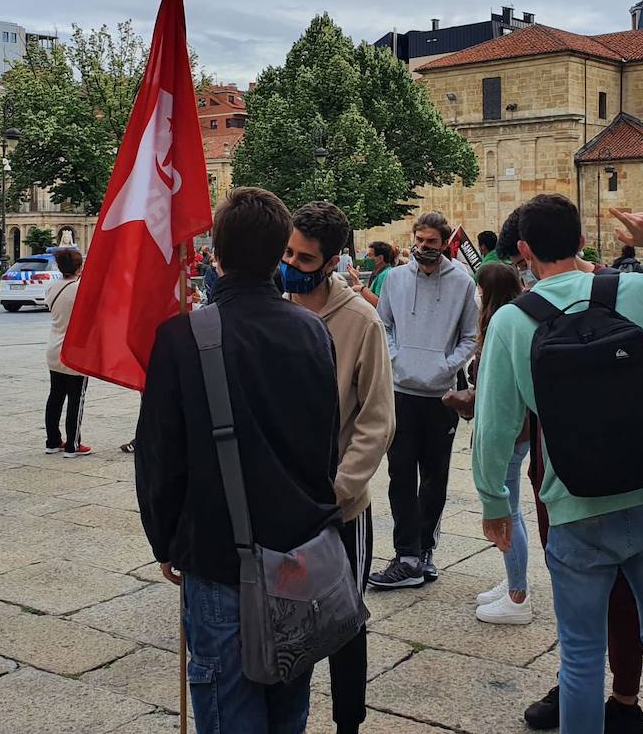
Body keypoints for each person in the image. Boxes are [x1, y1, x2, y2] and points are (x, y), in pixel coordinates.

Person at [473, 196, 643, 734]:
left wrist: (493, 505)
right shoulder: (639, 294)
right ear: (581, 241)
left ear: (524, 251)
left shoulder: (512, 321)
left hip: (573, 506)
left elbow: (495, 428)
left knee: (579, 658)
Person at [135, 188, 341, 733]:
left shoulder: (181, 338)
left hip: (220, 557)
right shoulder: (313, 332)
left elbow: (158, 456)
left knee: (228, 711)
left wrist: (165, 540)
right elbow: (327, 443)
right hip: (298, 561)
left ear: (216, 254)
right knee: (287, 713)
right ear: (279, 253)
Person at [284, 201, 396, 734]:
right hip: (282, 503)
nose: (289, 263)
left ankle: (349, 723)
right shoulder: (276, 307)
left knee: (346, 622)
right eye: (287, 251)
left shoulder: (361, 322)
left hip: (339, 506)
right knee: (286, 618)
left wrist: (340, 489)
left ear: (331, 262)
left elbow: (376, 420)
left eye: (303, 258)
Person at [369, 211, 478, 590]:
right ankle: (406, 554)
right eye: (419, 241)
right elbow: (384, 325)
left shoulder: (462, 282)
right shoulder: (396, 279)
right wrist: (397, 358)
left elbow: (470, 336)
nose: (423, 248)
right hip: (400, 392)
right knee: (400, 474)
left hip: (441, 395)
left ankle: (425, 549)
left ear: (444, 242)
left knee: (435, 477)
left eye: (431, 242)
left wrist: (446, 365)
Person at [469, 262, 532, 626]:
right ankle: (514, 580)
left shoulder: (500, 324)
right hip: (519, 431)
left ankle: (518, 596)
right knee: (514, 509)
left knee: (508, 512)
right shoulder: (516, 318)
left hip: (510, 431)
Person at [44, 249, 92, 458]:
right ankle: (73, 444)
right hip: (75, 348)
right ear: (79, 267)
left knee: (55, 395)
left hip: (54, 346)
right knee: (76, 397)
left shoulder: (52, 287)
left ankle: (53, 441)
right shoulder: (81, 289)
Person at [352, 241, 395, 308]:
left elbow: (378, 303)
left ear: (380, 258)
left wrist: (362, 288)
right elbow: (369, 293)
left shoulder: (384, 275)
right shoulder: (380, 273)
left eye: (370, 255)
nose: (367, 258)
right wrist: (355, 278)